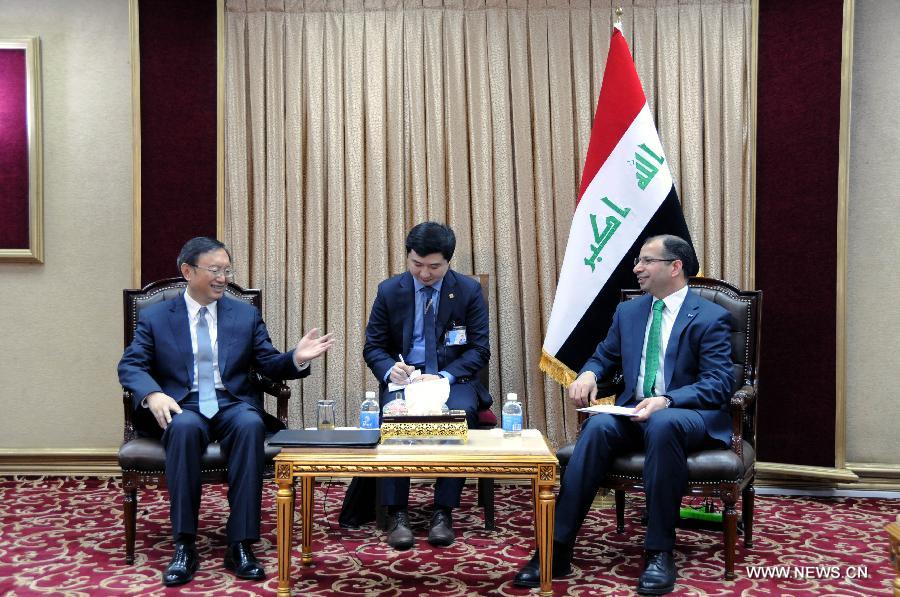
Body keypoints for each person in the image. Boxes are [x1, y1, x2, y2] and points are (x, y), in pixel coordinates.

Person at [513, 234, 734, 595]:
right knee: (598, 425)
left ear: (675, 267)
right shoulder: (629, 312)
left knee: (663, 423)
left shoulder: (711, 318)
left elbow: (719, 383)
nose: (637, 268)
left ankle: (659, 551)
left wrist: (668, 400)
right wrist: (589, 372)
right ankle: (557, 547)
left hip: (688, 414)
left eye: (647, 261)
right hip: (634, 411)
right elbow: (604, 356)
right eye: (638, 261)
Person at [118, 237, 334, 587]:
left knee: (250, 424)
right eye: (214, 270)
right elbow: (131, 365)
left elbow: (268, 362)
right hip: (182, 402)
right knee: (184, 428)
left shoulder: (244, 315)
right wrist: (153, 394)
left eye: (226, 270)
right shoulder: (156, 317)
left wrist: (295, 358)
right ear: (188, 271)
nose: (222, 278)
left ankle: (241, 544)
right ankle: (184, 545)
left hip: (230, 402)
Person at [362, 221, 491, 550]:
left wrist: (444, 376)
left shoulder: (467, 291)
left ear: (448, 262)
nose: (424, 274)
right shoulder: (389, 291)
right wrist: (390, 369)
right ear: (408, 257)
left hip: (451, 377)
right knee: (393, 415)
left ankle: (442, 512)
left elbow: (479, 349)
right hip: (406, 377)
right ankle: (397, 513)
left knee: (459, 414)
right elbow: (373, 347)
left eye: (434, 267)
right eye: (416, 264)